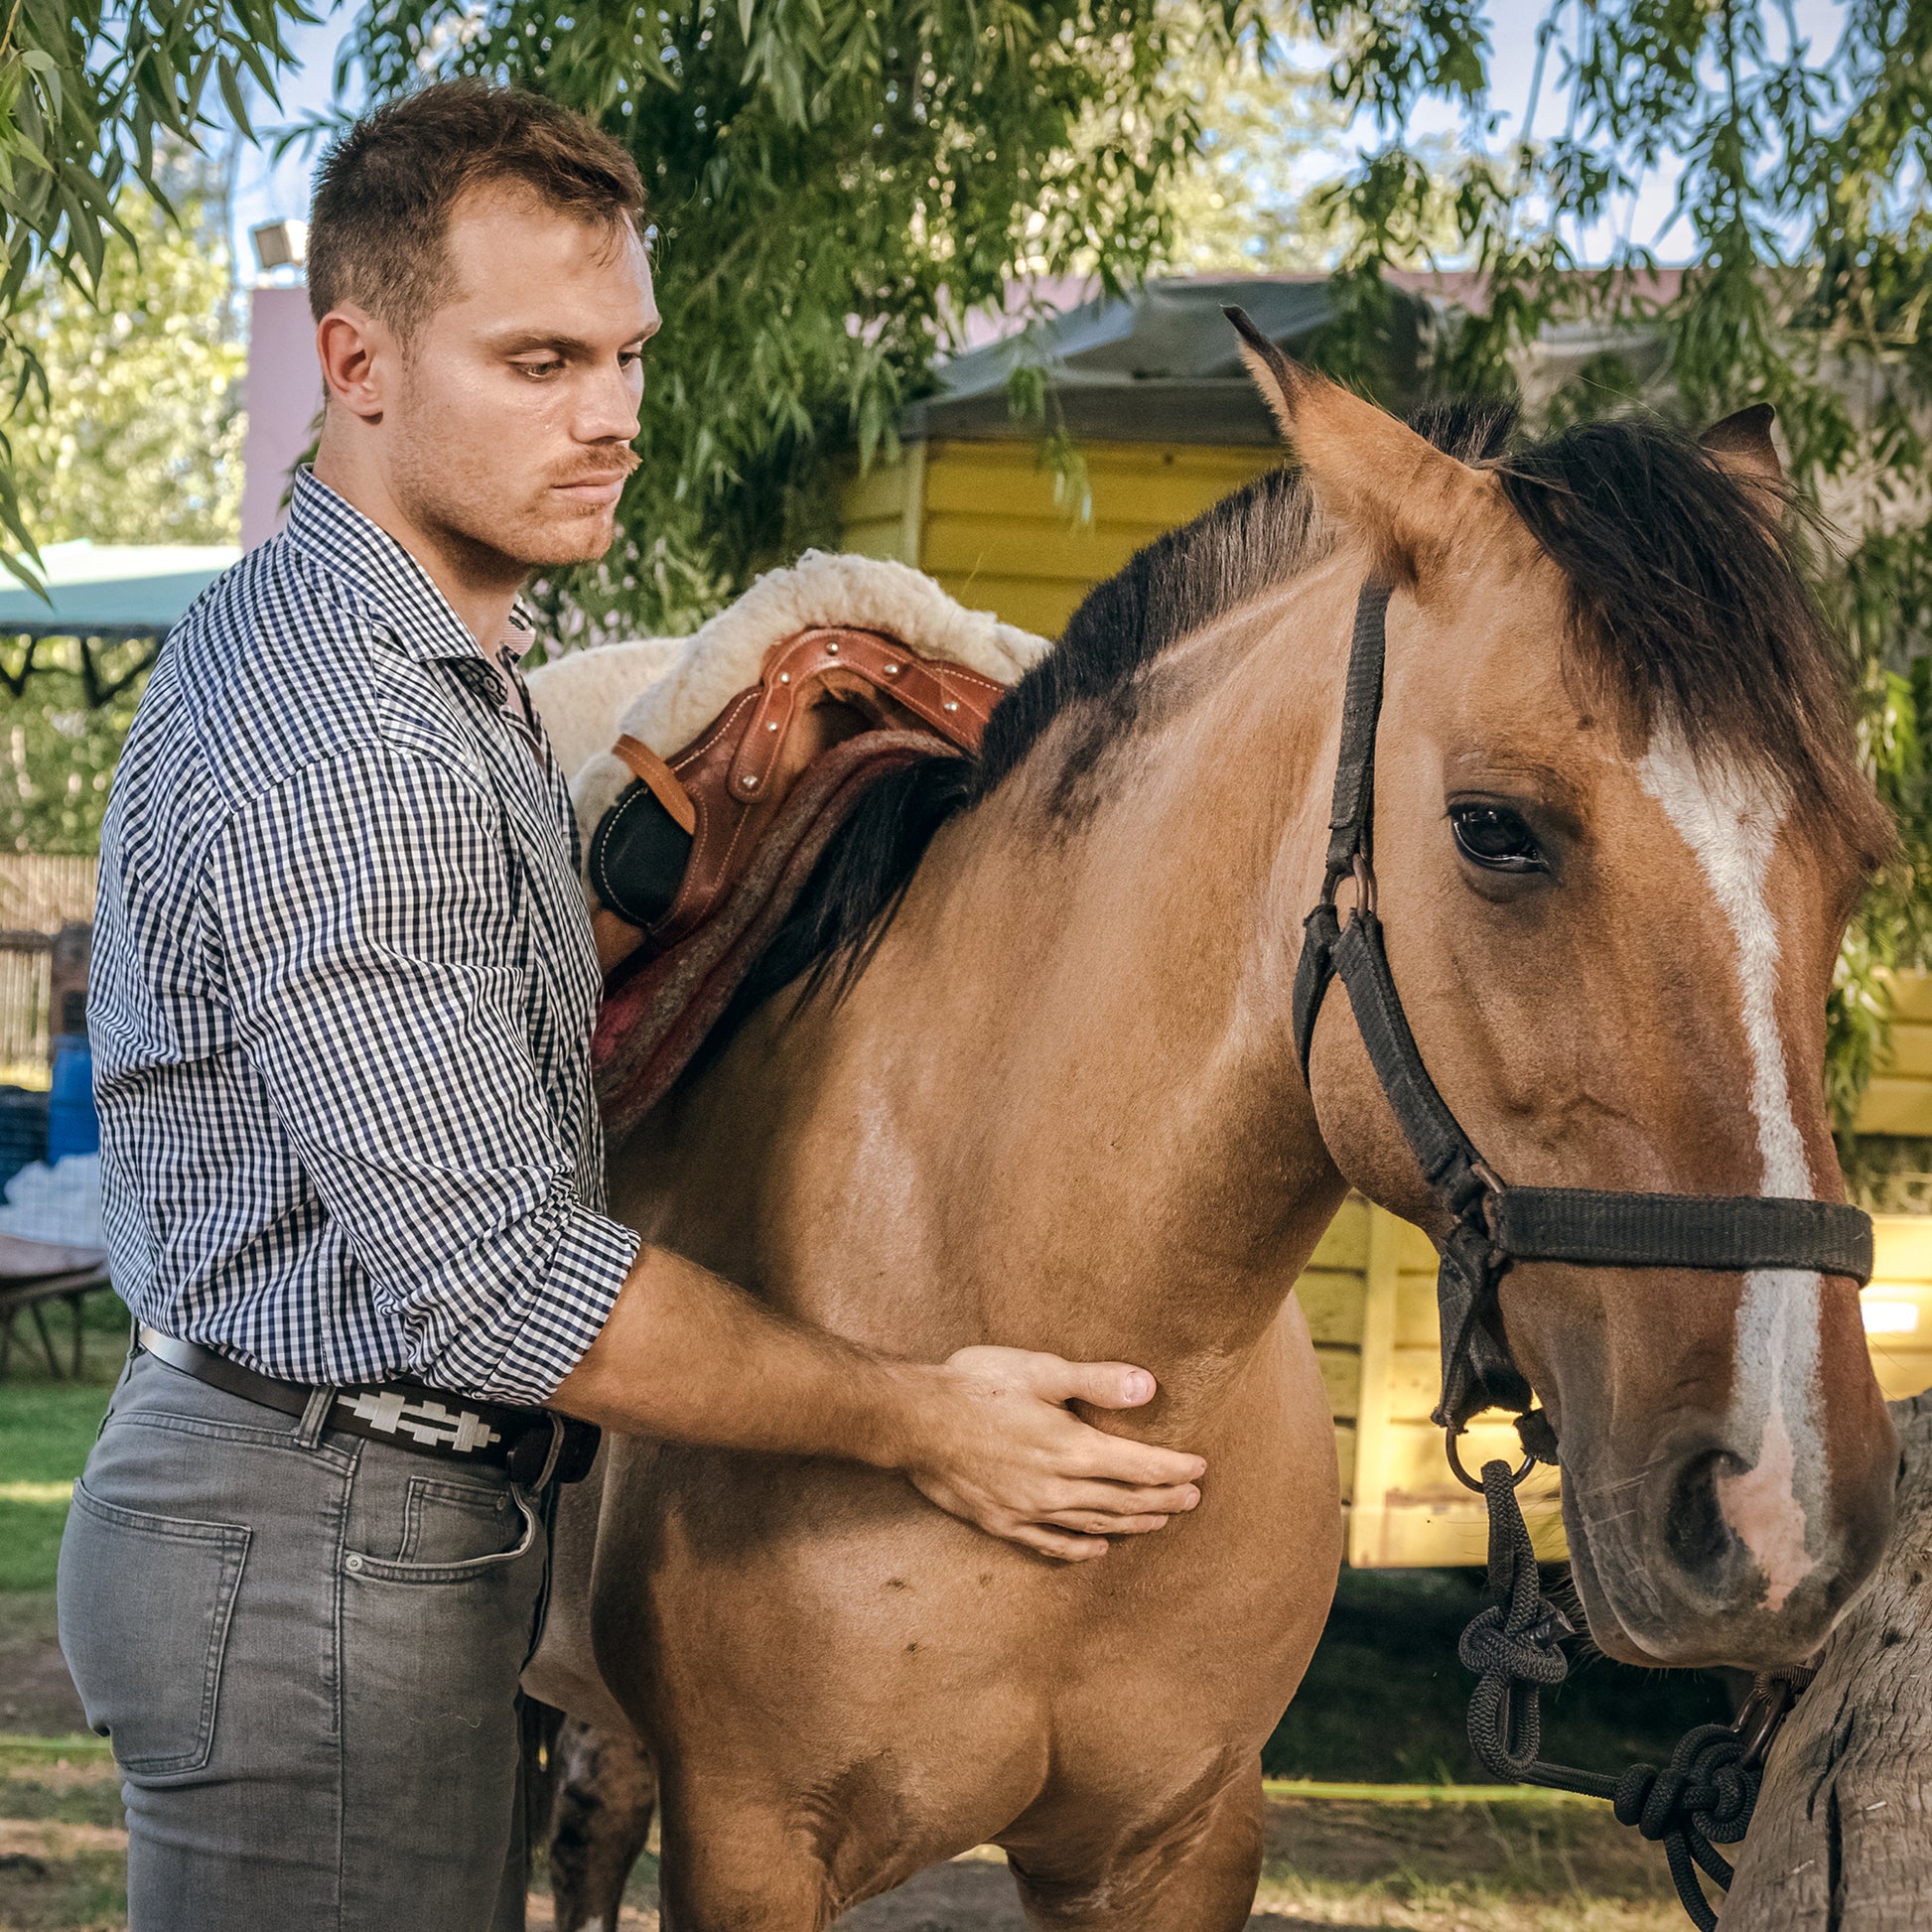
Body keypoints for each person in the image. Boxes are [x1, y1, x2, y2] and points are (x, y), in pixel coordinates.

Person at [56, 81, 1207, 1932]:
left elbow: (460, 1023)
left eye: (624, 355)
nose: (609, 418)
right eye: (536, 360)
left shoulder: (432, 679)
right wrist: (928, 1418)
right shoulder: (349, 738)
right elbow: (504, 1282)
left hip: (361, 1520)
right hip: (307, 1553)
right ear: (354, 361)